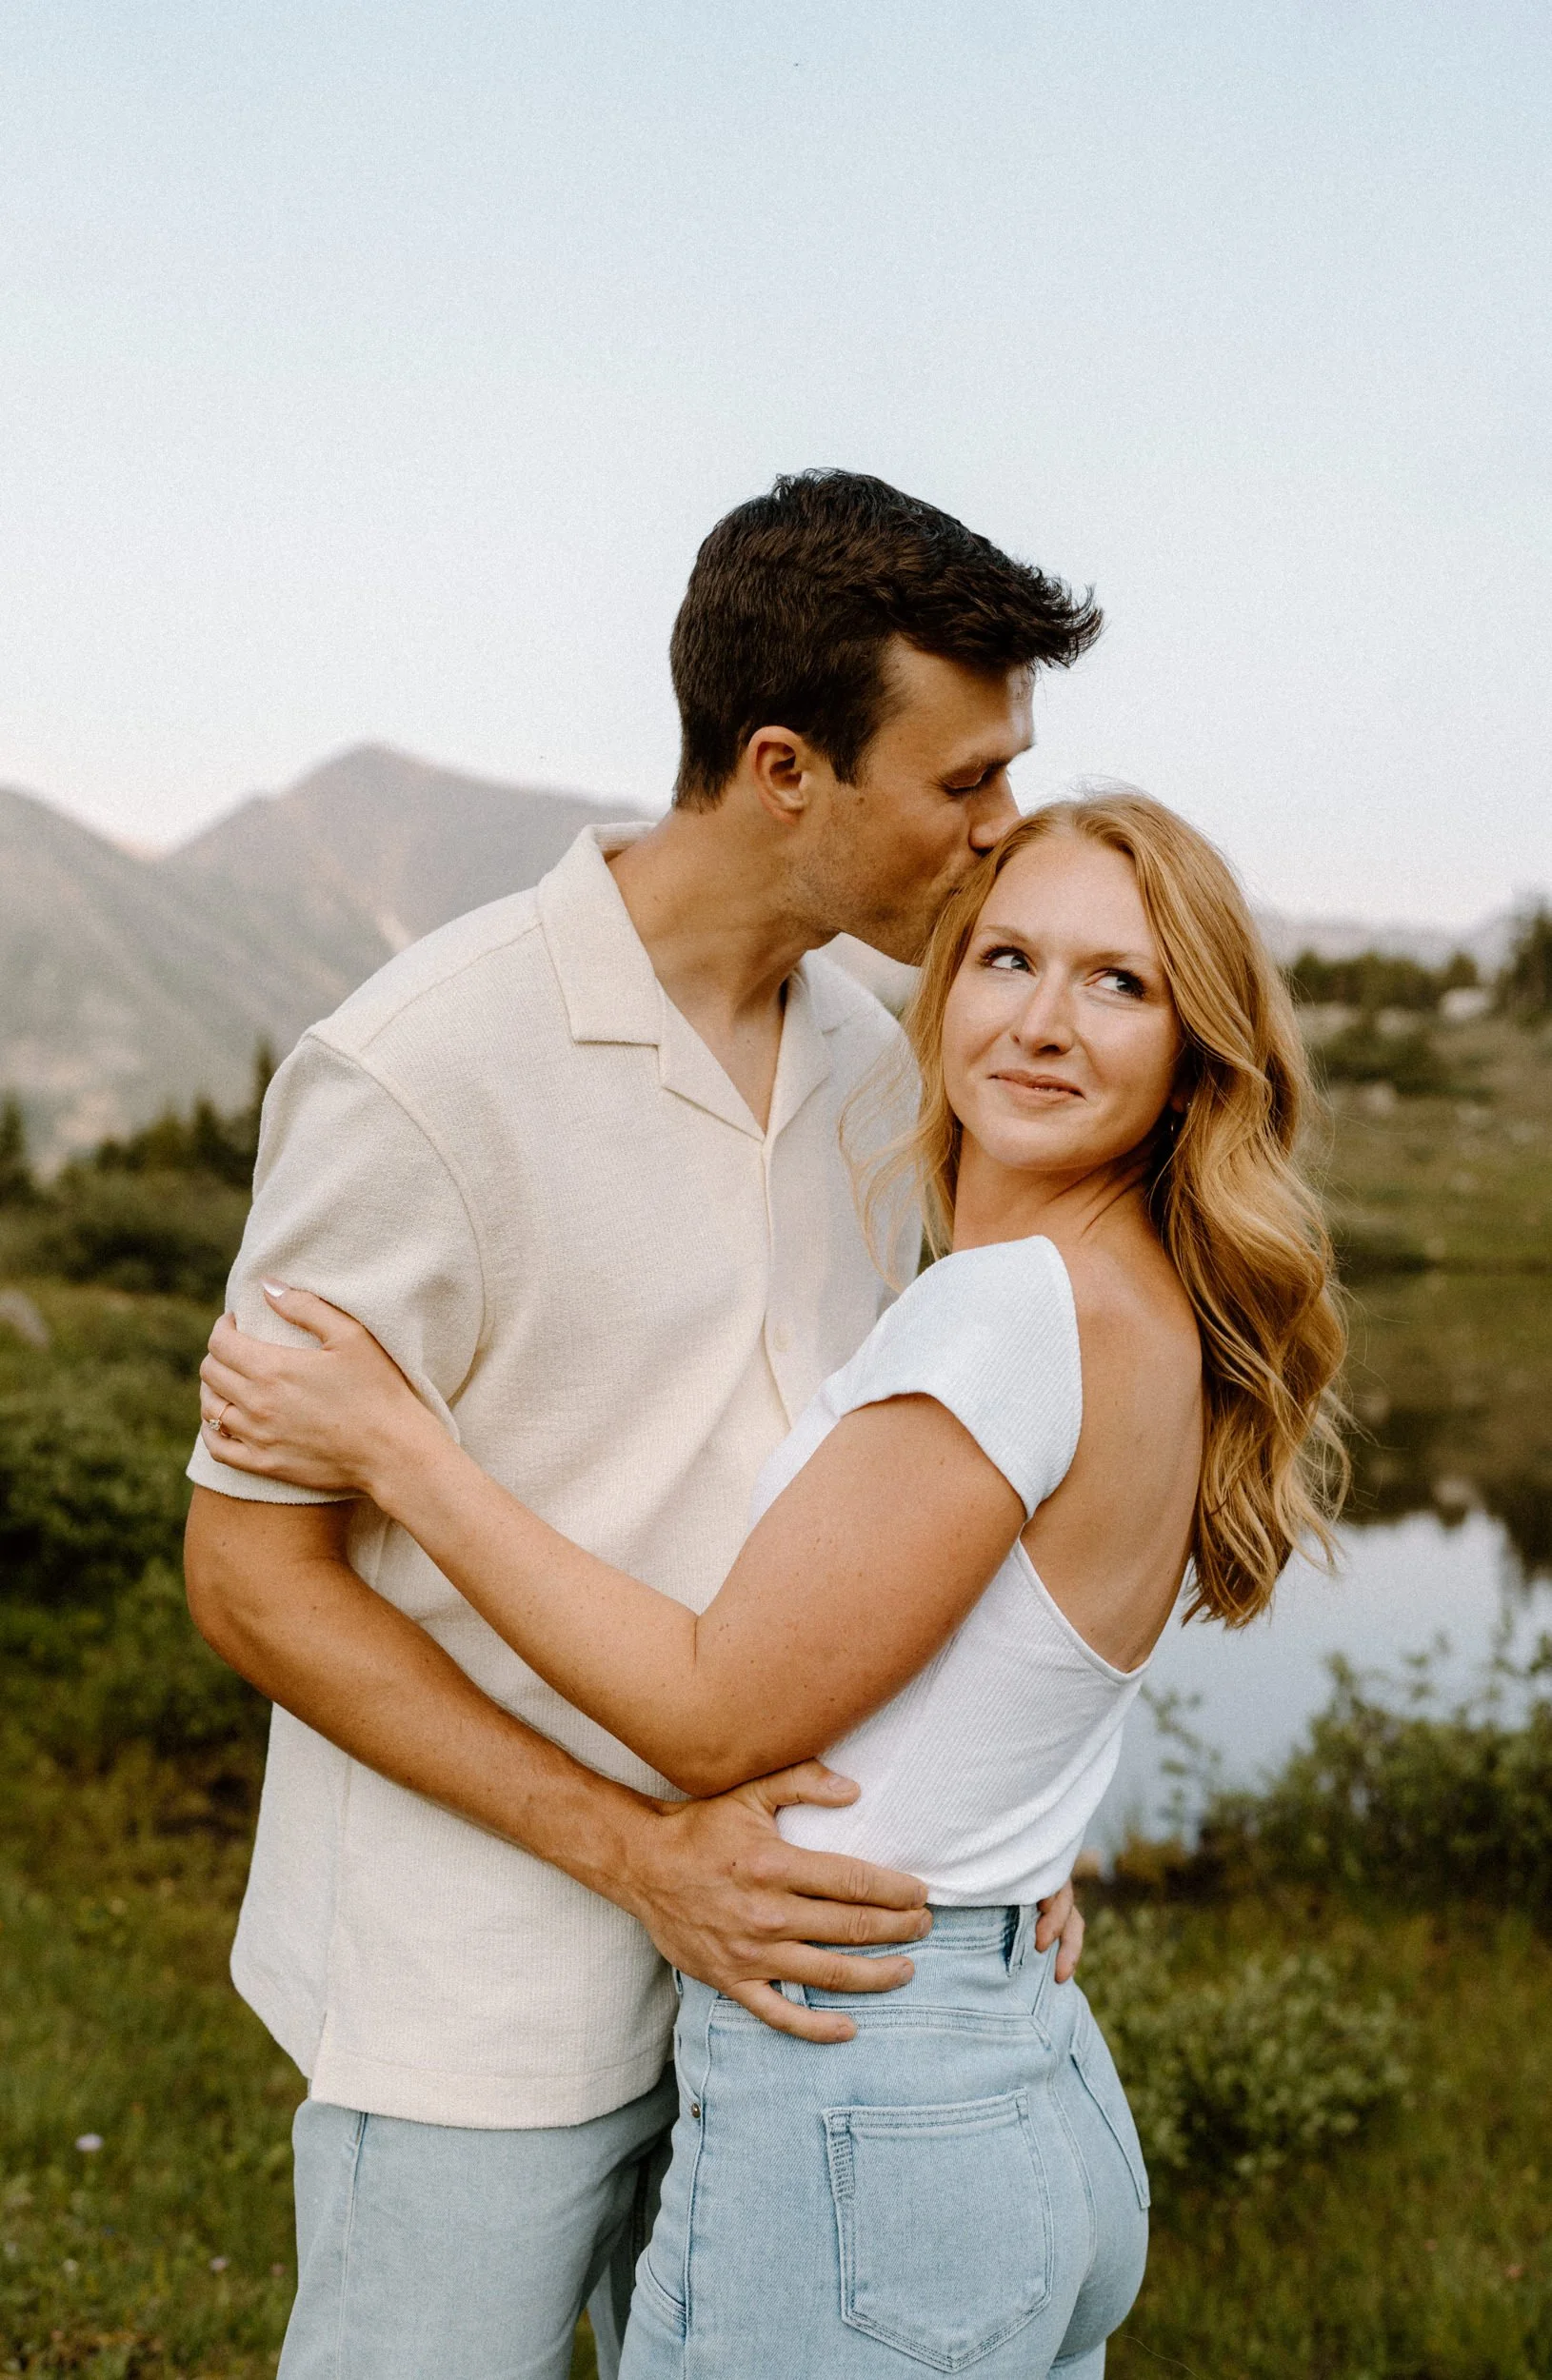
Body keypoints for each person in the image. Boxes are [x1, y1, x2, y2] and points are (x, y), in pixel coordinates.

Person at [199, 790, 1348, 2376]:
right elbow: (1013, 1670)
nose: (1040, 1022)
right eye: (1006, 958)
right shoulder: (1134, 1296)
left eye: (1117, 984)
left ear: (1194, 1049)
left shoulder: (1012, 1309)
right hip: (1007, 2049)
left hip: (872, 2077)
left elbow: (713, 1713)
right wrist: (998, 1854)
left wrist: (408, 1461)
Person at [182, 469, 1100, 2379]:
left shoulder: (877, 1062)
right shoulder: (419, 1069)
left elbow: (873, 1514)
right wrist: (628, 1850)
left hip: (787, 1988)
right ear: (783, 767)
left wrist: (989, 1833)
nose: (999, 834)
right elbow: (251, 1574)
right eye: (960, 782)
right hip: (472, 2008)